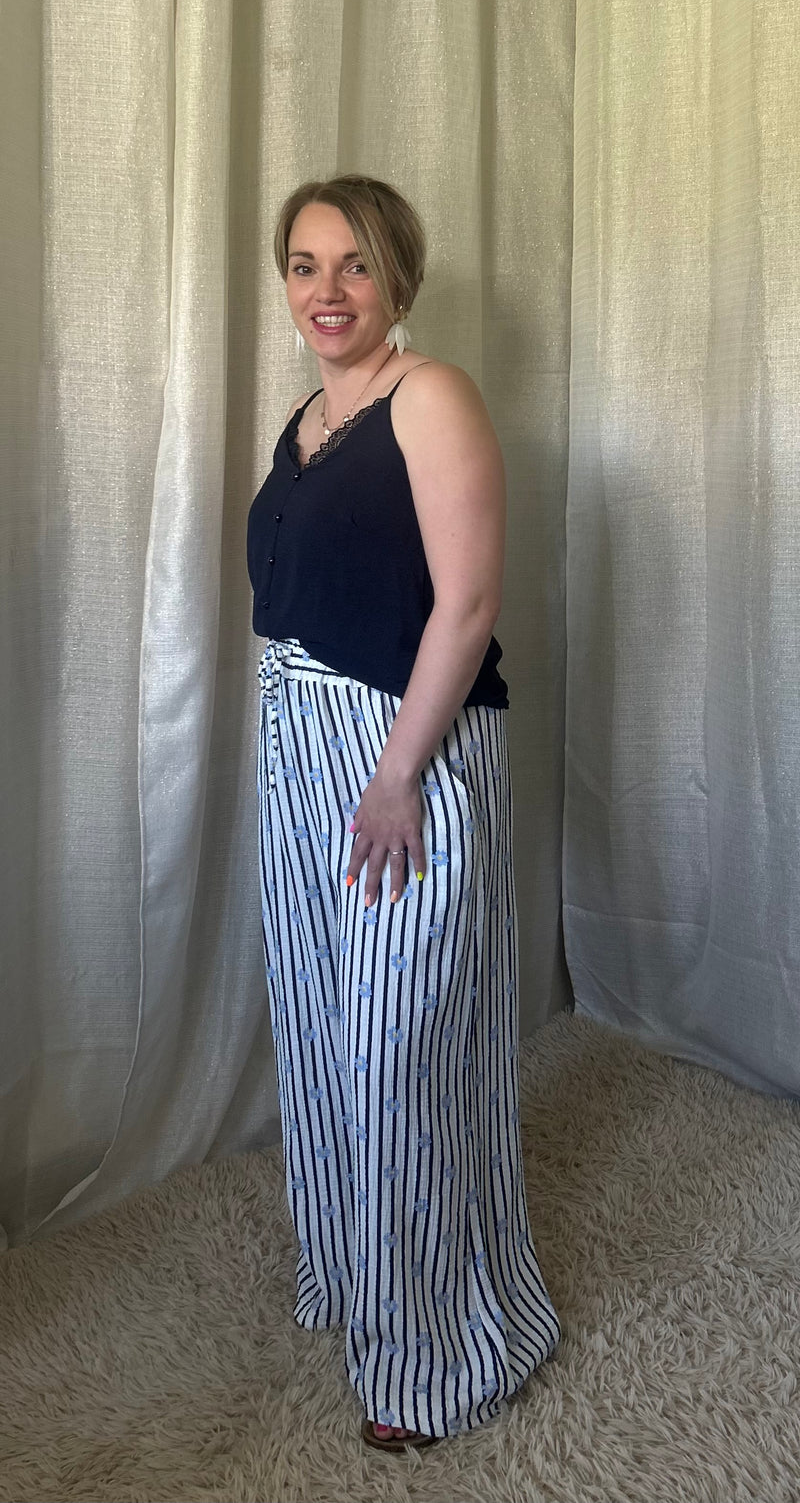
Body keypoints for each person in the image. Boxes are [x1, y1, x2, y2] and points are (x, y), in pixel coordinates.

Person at [247, 174, 560, 1452]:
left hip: (401, 754)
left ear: (398, 279)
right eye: (305, 265)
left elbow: (467, 604)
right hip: (298, 746)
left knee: (401, 1055)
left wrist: (393, 775)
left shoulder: (429, 397)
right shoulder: (307, 420)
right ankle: (355, 1278)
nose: (327, 291)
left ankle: (435, 1351)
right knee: (321, 1034)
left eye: (355, 265)